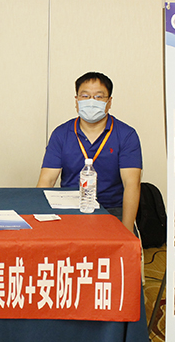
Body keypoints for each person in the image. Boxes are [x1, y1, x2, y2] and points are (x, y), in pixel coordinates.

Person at [37, 72, 141, 233]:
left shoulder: (126, 135)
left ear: (109, 102)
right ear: (77, 101)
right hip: (70, 208)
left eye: (98, 97)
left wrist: (127, 232)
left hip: (112, 209)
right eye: (85, 96)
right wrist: (39, 221)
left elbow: (131, 185)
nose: (91, 101)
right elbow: (46, 181)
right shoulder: (61, 134)